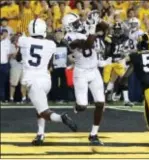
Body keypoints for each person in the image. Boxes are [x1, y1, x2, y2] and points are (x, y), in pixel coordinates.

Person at [16, 18, 77, 145]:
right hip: (46, 79)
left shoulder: (24, 40)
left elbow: (18, 58)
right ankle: (40, 134)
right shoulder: (51, 44)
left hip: (33, 81)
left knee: (43, 111)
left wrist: (22, 42)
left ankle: (61, 118)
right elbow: (48, 61)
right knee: (40, 107)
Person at [62, 13, 105, 145]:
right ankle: (77, 106)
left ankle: (94, 134)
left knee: (100, 102)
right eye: (74, 23)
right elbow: (87, 44)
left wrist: (98, 20)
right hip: (81, 73)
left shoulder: (85, 29)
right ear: (68, 26)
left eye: (77, 22)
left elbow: (104, 28)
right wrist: (92, 27)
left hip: (94, 70)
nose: (78, 24)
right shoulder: (68, 37)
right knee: (82, 106)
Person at [103, 22, 134, 107]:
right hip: (109, 61)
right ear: (113, 30)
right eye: (115, 29)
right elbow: (106, 51)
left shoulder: (125, 38)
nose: (117, 31)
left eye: (118, 29)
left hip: (119, 61)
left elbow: (128, 49)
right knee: (107, 81)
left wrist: (126, 55)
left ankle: (126, 100)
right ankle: (103, 98)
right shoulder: (109, 38)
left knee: (124, 78)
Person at [50, 28, 70, 103]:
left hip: (63, 66)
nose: (59, 34)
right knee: (54, 83)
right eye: (57, 33)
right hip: (54, 66)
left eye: (60, 33)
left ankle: (64, 98)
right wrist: (50, 66)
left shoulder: (65, 44)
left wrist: (74, 62)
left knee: (64, 83)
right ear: (54, 35)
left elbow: (69, 54)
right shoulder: (51, 44)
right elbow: (49, 56)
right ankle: (55, 98)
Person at [9, 33, 27, 103]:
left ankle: (24, 98)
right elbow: (13, 56)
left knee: (23, 83)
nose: (18, 38)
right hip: (15, 66)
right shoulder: (11, 46)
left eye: (20, 37)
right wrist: (18, 48)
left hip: (23, 66)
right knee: (13, 83)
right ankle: (11, 98)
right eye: (17, 37)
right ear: (15, 38)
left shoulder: (24, 47)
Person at [0, 29, 11, 103]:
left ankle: (3, 98)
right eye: (3, 33)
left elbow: (8, 54)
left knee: (3, 82)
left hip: (4, 64)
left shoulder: (8, 42)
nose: (4, 34)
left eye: (5, 33)